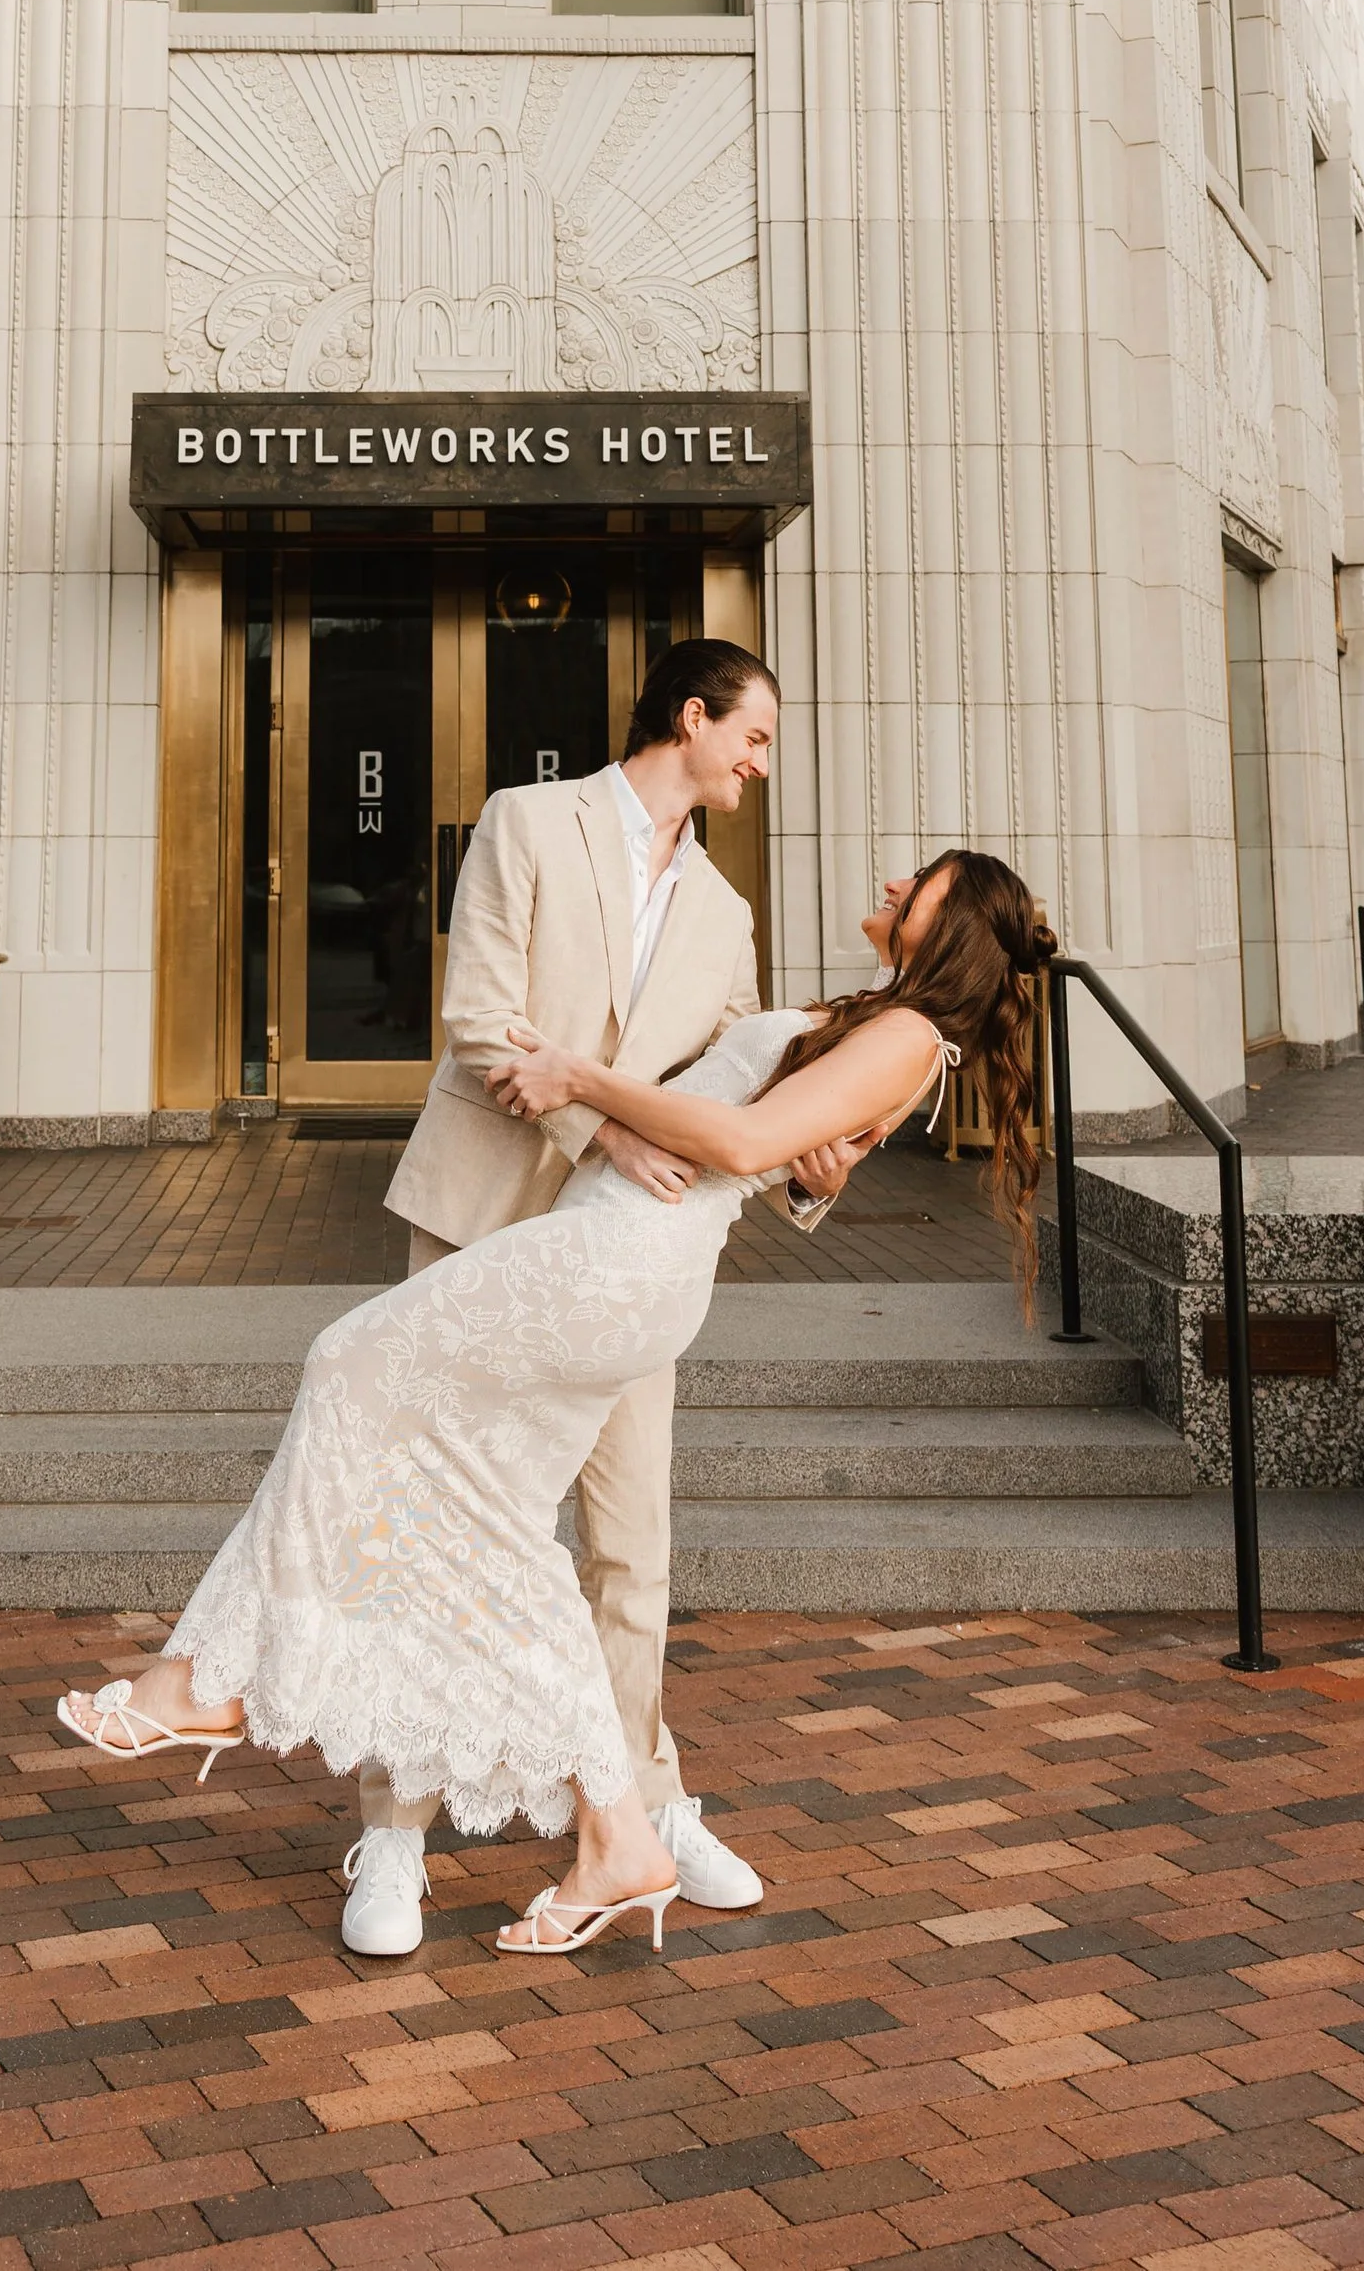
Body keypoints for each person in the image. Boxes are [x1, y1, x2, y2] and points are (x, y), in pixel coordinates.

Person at [54, 849, 1050, 1957]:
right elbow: (776, 1134)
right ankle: (615, 1837)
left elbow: (735, 1143)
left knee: (349, 1364)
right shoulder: (881, 1020)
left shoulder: (908, 1039)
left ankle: (207, 1681)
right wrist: (797, 1155)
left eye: (915, 880)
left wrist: (581, 1081)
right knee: (490, 1520)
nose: (888, 880)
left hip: (619, 1260)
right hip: (604, 1247)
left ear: (950, 921)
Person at [352, 639, 840, 1954]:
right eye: (757, 734)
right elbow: (482, 1020)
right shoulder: (527, 820)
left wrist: (809, 1175)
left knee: (632, 1550)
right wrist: (602, 1132)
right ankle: (392, 1831)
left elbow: (726, 1092)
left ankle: (641, 1815)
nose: (762, 759)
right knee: (435, 1529)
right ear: (694, 715)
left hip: (631, 1266)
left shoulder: (727, 915)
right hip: (484, 1221)